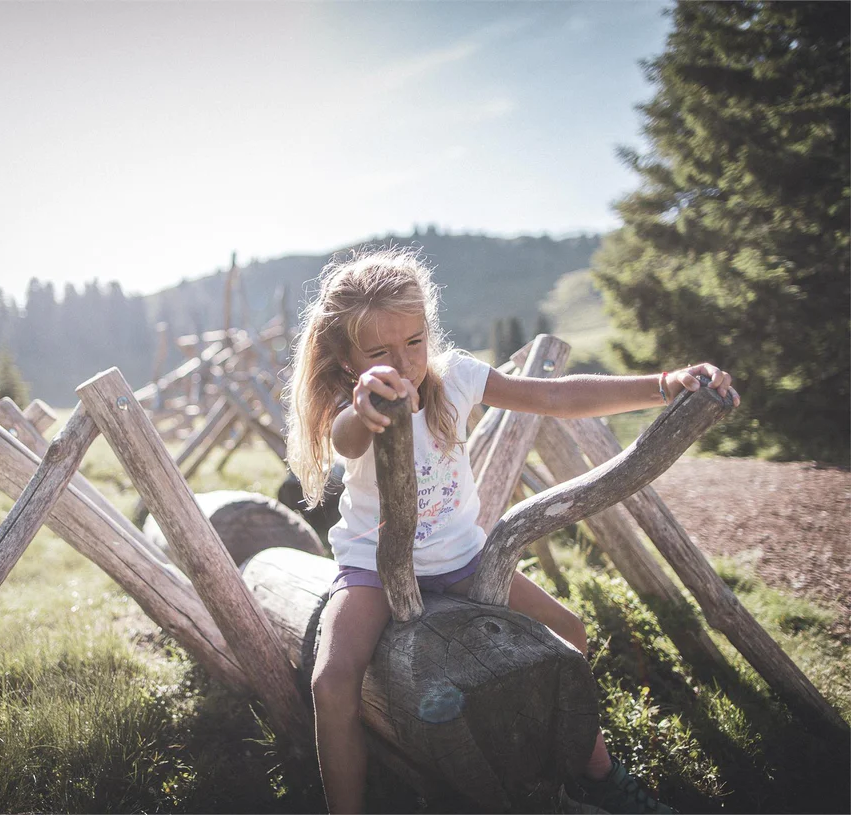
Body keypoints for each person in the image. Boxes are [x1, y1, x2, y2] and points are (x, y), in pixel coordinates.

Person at [283, 247, 739, 815]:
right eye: (379, 351)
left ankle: (595, 774)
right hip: (373, 569)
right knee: (331, 682)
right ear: (348, 359)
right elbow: (348, 440)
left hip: (466, 560)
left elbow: (553, 395)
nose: (403, 362)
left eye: (415, 342)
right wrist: (366, 407)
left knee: (571, 635)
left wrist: (663, 383)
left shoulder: (459, 379)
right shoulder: (349, 402)